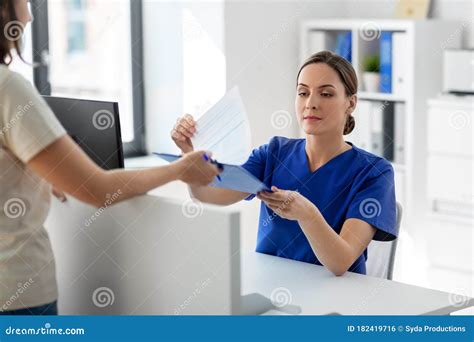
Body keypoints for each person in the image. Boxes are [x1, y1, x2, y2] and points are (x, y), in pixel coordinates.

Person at [0, 0, 220, 315]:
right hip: (18, 299)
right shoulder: (8, 89)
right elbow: (97, 189)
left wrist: (41, 175)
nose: (32, 13)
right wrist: (179, 169)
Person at [171, 50, 397, 276]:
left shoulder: (374, 172)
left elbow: (340, 262)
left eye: (326, 94)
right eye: (303, 92)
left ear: (351, 103)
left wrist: (307, 214)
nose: (311, 103)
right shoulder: (274, 153)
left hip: (335, 297)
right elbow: (209, 195)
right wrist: (190, 155)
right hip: (270, 287)